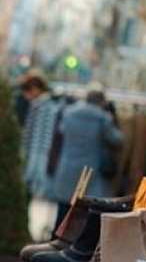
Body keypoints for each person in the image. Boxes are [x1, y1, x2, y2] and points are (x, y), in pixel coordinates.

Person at [50, 89, 124, 224]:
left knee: (63, 212)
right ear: (102, 102)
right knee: (85, 214)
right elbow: (117, 139)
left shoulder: (69, 113)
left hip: (67, 168)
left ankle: (57, 236)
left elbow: (62, 130)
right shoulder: (103, 118)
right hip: (90, 171)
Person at [19, 70, 56, 201]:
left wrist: (31, 166)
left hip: (34, 158)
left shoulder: (40, 106)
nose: (26, 96)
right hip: (36, 157)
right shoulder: (47, 105)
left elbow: (38, 137)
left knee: (27, 194)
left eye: (27, 91)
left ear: (35, 89)